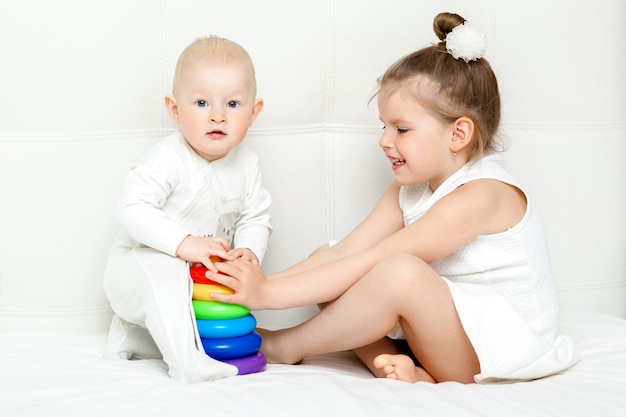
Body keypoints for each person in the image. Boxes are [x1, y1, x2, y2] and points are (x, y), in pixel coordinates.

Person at [207, 13, 579, 384]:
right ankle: (396, 364)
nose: (385, 140)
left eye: (401, 129)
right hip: (443, 337)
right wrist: (250, 284)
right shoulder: (411, 190)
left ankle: (287, 346)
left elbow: (378, 261)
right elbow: (344, 255)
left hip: (499, 348)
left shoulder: (484, 194)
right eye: (383, 126)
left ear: (458, 134)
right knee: (329, 259)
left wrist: (268, 294)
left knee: (398, 272)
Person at [103, 36, 271, 383]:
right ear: (175, 109)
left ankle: (134, 337)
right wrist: (184, 243)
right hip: (132, 270)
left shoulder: (247, 164)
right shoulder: (168, 158)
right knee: (167, 269)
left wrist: (249, 252)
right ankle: (188, 365)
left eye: (233, 104)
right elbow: (131, 207)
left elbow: (256, 216)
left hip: (192, 283)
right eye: (201, 102)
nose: (218, 116)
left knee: (207, 294)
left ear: (254, 113)